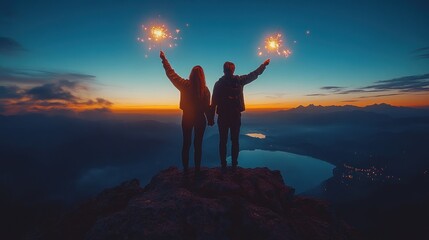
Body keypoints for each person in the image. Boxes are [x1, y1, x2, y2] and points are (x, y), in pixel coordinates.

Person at [210, 59, 270, 171]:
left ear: (223, 70)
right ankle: (234, 165)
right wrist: (264, 65)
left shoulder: (218, 84)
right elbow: (254, 74)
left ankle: (223, 165)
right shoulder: (239, 80)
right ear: (233, 70)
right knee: (235, 140)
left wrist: (210, 118)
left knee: (223, 141)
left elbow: (213, 102)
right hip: (235, 115)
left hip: (223, 116)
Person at [160, 51, 211, 175]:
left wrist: (164, 59)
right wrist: (210, 119)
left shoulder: (184, 85)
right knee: (198, 145)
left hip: (187, 117)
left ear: (191, 74)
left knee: (186, 144)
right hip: (200, 119)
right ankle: (197, 170)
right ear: (202, 76)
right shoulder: (205, 90)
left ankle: (186, 171)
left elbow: (171, 74)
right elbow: (207, 108)